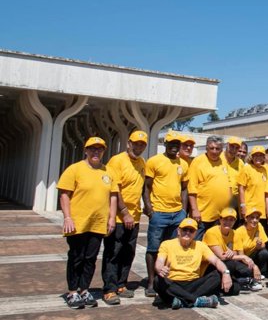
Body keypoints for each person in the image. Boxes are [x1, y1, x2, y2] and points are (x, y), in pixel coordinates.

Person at [57, 136, 119, 309]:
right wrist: (67, 217)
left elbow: (113, 196)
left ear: (104, 151)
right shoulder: (74, 169)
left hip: (98, 223)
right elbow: (64, 195)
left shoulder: (108, 172)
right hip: (77, 223)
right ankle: (72, 292)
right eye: (92, 148)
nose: (96, 151)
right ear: (86, 150)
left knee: (90, 258)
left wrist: (112, 218)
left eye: (99, 149)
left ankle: (84, 289)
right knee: (77, 257)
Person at [102, 130, 147, 305]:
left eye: (142, 144)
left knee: (128, 252)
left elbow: (141, 188)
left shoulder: (142, 162)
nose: (138, 147)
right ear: (128, 143)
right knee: (113, 253)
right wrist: (125, 212)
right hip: (120, 218)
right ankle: (110, 289)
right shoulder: (117, 161)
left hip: (134, 218)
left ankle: (121, 284)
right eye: (136, 143)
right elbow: (115, 189)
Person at [143, 132, 189, 298]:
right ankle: (151, 282)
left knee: (172, 248)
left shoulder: (183, 164)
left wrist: (184, 210)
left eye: (177, 143)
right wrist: (149, 209)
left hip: (177, 214)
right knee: (154, 248)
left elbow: (184, 188)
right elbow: (147, 187)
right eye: (171, 143)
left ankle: (166, 279)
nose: (174, 146)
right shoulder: (154, 161)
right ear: (165, 143)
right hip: (159, 213)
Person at [155, 218, 233, 309]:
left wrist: (226, 273)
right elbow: (159, 261)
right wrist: (161, 268)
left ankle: (181, 301)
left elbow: (216, 261)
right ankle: (196, 301)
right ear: (178, 231)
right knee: (157, 281)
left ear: (195, 233)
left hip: (193, 283)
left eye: (191, 230)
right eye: (184, 229)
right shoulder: (167, 244)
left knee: (218, 275)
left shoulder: (200, 245)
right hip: (173, 282)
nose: (187, 232)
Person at [203, 207, 261, 293]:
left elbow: (235, 253)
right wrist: (243, 256)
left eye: (231, 220)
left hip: (226, 264)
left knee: (238, 285)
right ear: (220, 219)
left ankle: (237, 281)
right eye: (225, 219)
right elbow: (222, 256)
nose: (228, 222)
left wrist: (255, 266)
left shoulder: (234, 233)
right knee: (230, 264)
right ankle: (234, 281)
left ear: (235, 221)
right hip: (209, 266)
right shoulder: (211, 232)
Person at [187, 135, 232, 240]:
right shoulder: (198, 162)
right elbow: (192, 188)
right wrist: (194, 210)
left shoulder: (223, 161)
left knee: (214, 244)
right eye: (211, 148)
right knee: (196, 243)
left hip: (220, 215)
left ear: (222, 150)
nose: (214, 151)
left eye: (218, 148)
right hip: (203, 215)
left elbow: (228, 183)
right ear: (206, 148)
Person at [237, 145, 268, 228]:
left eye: (260, 155)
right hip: (250, 209)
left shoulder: (265, 170)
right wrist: (243, 206)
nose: (258, 158)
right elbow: (241, 188)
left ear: (264, 157)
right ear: (251, 157)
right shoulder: (246, 168)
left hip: (262, 211)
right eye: (255, 155)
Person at [233, 207, 268, 280]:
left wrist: (259, 246)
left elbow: (264, 245)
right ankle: (253, 272)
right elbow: (241, 255)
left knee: (264, 253)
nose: (255, 220)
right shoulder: (239, 232)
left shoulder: (259, 226)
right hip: (242, 259)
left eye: (257, 218)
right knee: (247, 271)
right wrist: (254, 266)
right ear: (246, 219)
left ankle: (262, 272)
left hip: (253, 254)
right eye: (252, 218)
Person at [222, 136, 245, 209]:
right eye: (231, 146)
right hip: (218, 199)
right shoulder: (217, 158)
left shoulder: (240, 163)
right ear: (227, 145)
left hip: (234, 201)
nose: (234, 150)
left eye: (237, 148)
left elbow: (242, 185)